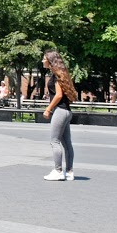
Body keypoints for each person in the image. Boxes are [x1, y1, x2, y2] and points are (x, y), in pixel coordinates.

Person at [42, 49, 78, 181]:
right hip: (67, 111)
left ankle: (57, 171)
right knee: (67, 143)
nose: (42, 60)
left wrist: (48, 109)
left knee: (54, 142)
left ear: (50, 60)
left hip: (60, 111)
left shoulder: (57, 76)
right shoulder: (62, 74)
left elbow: (58, 95)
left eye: (44, 58)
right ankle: (69, 172)